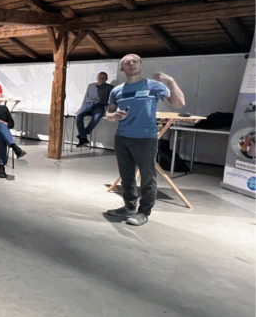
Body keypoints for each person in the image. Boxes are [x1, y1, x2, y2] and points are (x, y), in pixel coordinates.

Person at [105, 54, 184, 226]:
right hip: (122, 138)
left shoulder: (154, 86)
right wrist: (114, 115)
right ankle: (129, 207)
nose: (131, 64)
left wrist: (170, 81)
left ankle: (144, 212)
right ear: (122, 68)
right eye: (127, 62)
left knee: (147, 177)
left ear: (141, 65)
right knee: (126, 176)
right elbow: (108, 114)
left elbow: (178, 104)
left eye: (135, 61)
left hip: (145, 138)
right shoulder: (116, 90)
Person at [76, 72, 114, 147]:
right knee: (78, 116)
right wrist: (81, 108)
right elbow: (85, 97)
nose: (101, 79)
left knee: (97, 116)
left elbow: (111, 100)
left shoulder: (110, 87)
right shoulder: (90, 86)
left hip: (99, 106)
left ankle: (83, 134)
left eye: (103, 78)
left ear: (106, 79)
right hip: (87, 105)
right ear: (97, 78)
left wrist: (109, 109)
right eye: (99, 78)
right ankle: (83, 137)